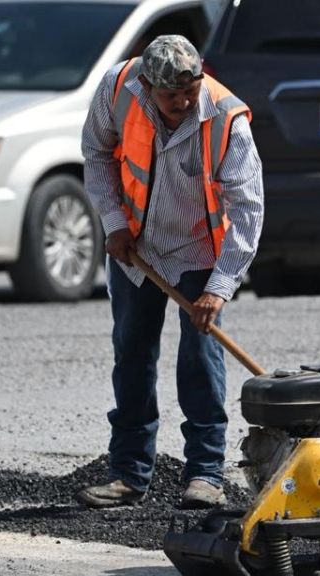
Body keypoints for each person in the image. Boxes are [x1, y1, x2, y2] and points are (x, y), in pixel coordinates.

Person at [76, 35, 264, 509]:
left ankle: (205, 475)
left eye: (191, 90)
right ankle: (128, 474)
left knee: (200, 361)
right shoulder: (118, 88)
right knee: (132, 353)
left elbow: (248, 210)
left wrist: (219, 289)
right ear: (147, 85)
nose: (183, 102)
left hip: (201, 251)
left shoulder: (225, 119)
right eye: (171, 96)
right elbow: (97, 155)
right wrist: (114, 223)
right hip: (138, 248)